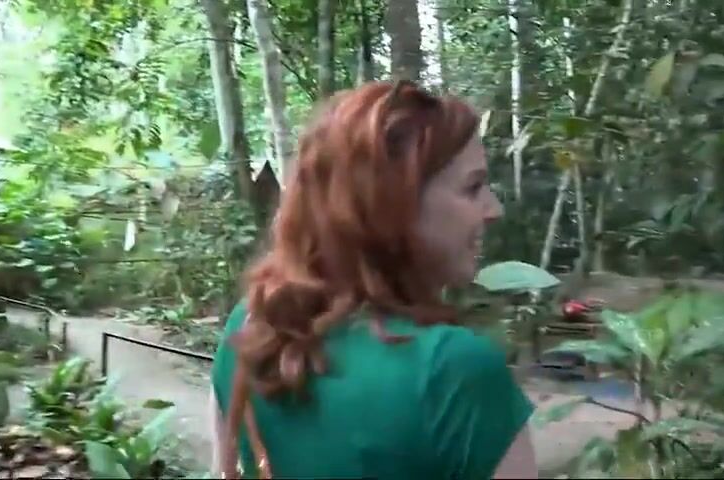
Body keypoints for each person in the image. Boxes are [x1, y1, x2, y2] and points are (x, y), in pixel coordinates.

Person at [208, 80, 538, 479]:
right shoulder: (453, 370)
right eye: (472, 188)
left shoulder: (250, 327)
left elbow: (224, 468)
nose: (493, 209)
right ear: (392, 204)